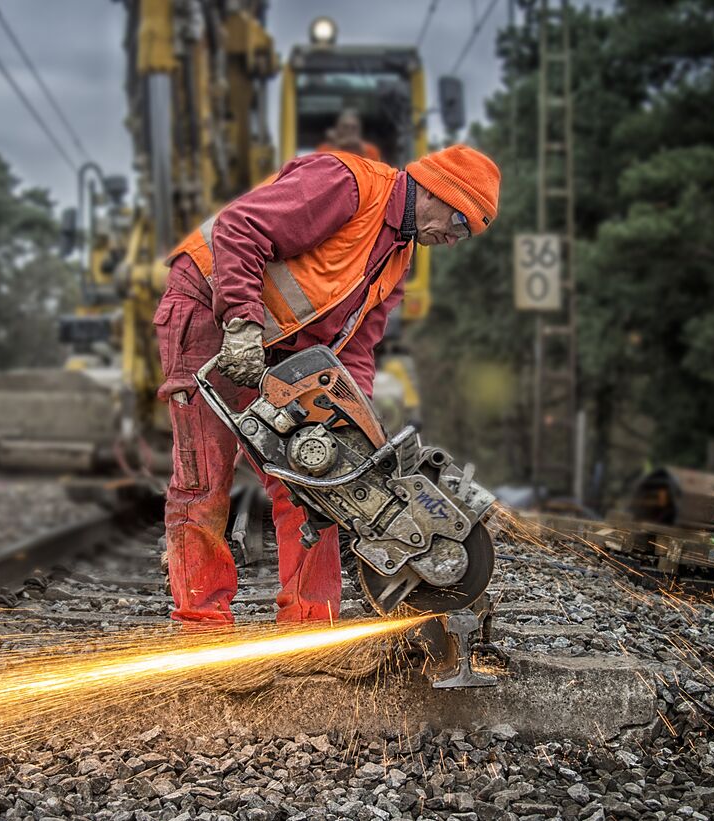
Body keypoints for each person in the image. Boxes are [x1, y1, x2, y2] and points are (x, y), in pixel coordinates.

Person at [153, 144, 500, 625]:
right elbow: (239, 228)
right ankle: (200, 623)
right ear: (441, 193)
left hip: (283, 343)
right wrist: (241, 323)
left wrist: (355, 424)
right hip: (210, 308)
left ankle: (309, 625)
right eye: (461, 224)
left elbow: (355, 348)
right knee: (203, 480)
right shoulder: (347, 185)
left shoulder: (397, 257)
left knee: (320, 477)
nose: (455, 239)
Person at [317, 109, 383, 163]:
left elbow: (375, 173)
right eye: (345, 127)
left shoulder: (371, 150)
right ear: (337, 128)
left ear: (359, 130)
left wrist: (360, 149)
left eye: (354, 127)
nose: (350, 131)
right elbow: (324, 171)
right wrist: (338, 145)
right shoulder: (324, 149)